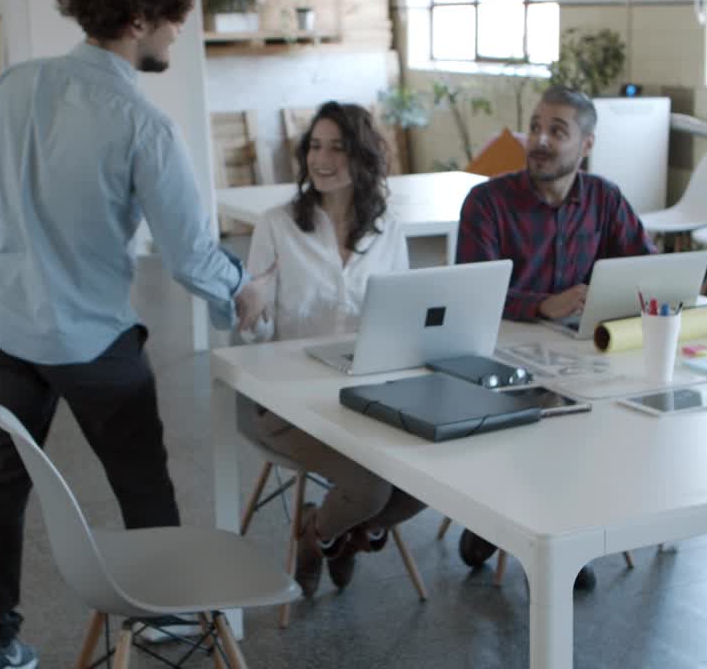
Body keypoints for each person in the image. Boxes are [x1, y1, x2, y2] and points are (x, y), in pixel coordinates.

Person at [0, 0, 273, 667]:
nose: (174, 40)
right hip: (93, 342)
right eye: (171, 26)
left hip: (4, 331)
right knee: (141, 479)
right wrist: (242, 291)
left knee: (1, 482)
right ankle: (162, 620)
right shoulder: (142, 124)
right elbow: (190, 255)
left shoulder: (13, 86)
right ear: (137, 22)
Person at [453, 85, 657, 590]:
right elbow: (471, 294)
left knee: (614, 417)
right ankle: (523, 528)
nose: (539, 140)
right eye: (536, 126)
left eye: (557, 131)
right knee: (549, 422)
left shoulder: (604, 199)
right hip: (498, 356)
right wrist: (540, 304)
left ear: (586, 145)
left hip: (573, 353)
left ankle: (528, 527)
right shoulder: (487, 202)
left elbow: (647, 269)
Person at [243, 101, 425, 597]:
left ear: (363, 158)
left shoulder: (388, 229)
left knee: (426, 475)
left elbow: (401, 320)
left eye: (337, 148)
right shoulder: (277, 225)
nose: (321, 160)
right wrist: (251, 312)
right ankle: (326, 533)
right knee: (369, 486)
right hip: (285, 400)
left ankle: (336, 532)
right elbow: (252, 343)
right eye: (314, 147)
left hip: (365, 393)